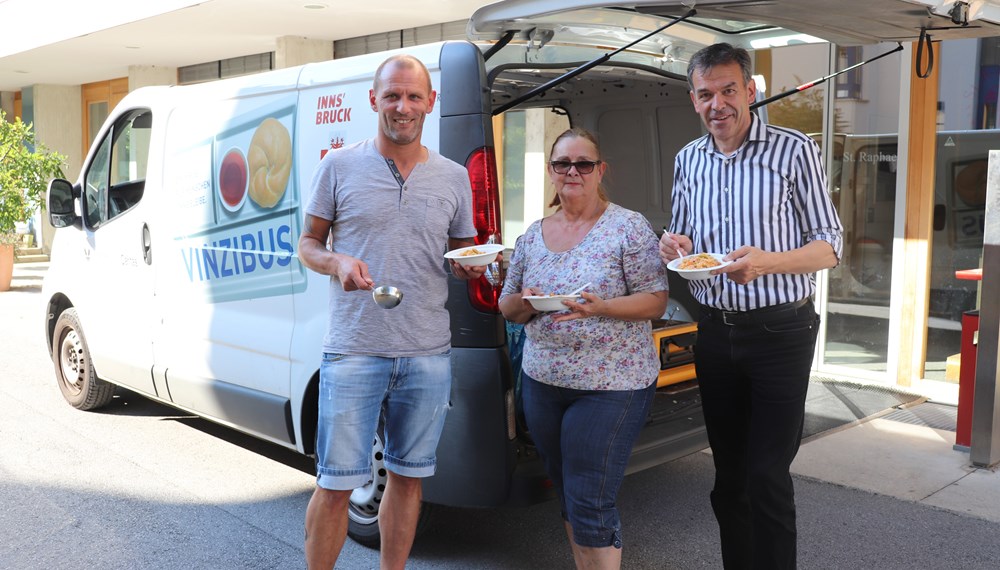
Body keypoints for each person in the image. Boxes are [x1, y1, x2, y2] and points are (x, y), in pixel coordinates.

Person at [298, 54, 489, 570]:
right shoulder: (337, 165)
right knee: (336, 484)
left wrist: (471, 268)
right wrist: (336, 260)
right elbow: (308, 244)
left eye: (412, 96)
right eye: (392, 96)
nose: (402, 107)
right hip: (354, 348)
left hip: (427, 350)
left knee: (408, 479)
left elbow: (460, 252)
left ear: (431, 102)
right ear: (373, 100)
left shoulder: (452, 177)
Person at [659, 43, 844, 569]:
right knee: (729, 478)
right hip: (715, 332)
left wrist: (767, 263)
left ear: (751, 90)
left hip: (781, 332)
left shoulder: (793, 151)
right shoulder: (688, 160)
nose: (717, 103)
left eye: (728, 90)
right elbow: (681, 237)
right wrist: (672, 246)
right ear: (693, 100)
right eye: (705, 94)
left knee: (767, 475)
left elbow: (830, 245)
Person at [499, 128, 669, 570]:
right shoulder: (533, 235)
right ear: (551, 171)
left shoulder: (628, 227)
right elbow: (508, 306)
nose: (572, 171)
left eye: (583, 163)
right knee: (568, 492)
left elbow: (656, 300)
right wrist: (523, 301)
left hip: (612, 385)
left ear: (600, 170)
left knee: (590, 498)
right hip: (543, 383)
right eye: (562, 164)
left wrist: (603, 307)